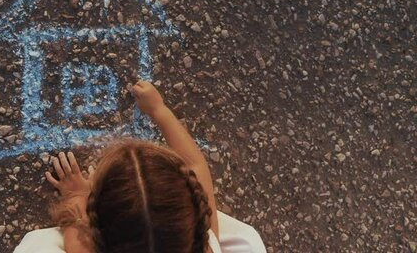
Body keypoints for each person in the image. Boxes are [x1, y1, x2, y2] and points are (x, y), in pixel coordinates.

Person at [14, 81, 266, 253]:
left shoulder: (82, 246)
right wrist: (160, 110)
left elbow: (74, 232)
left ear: (96, 234)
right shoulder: (205, 245)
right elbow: (194, 164)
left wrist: (75, 196)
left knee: (38, 245)